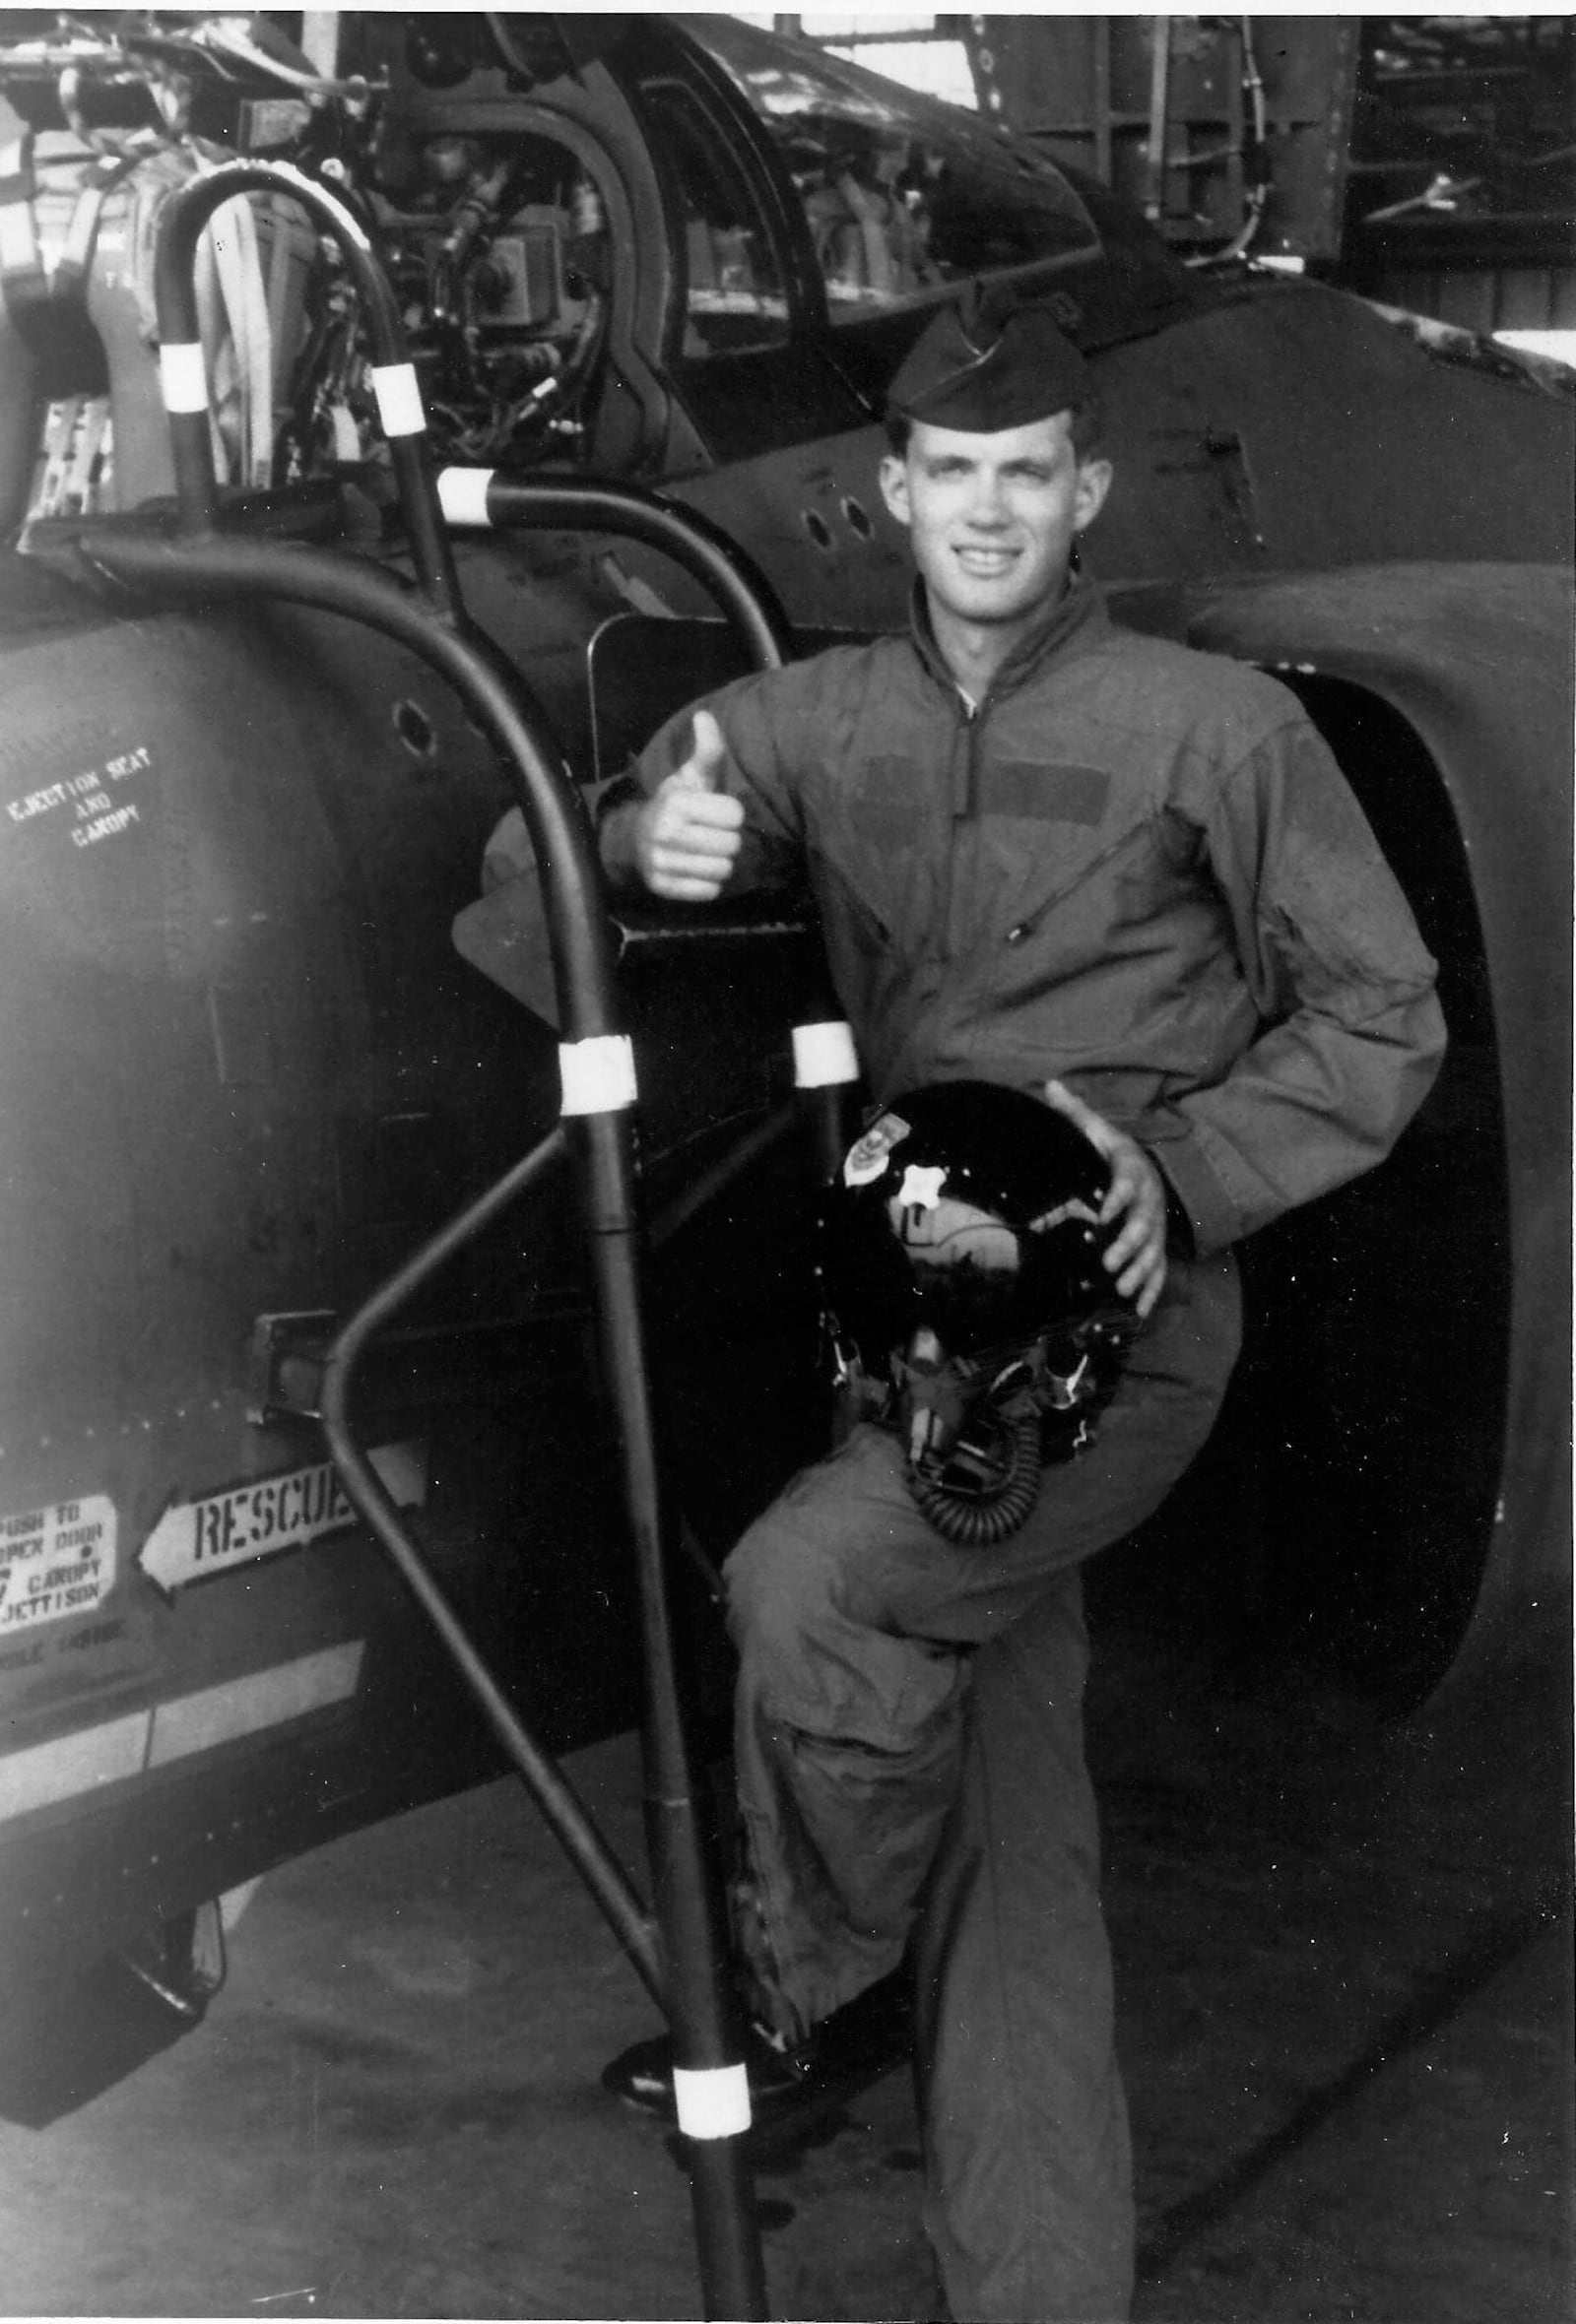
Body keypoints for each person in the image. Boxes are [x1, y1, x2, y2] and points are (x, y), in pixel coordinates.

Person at [595, 297, 1447, 2321]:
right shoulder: (815, 719)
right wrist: (645, 829)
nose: (986, 510)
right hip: (919, 1334)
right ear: (892, 494)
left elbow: (1381, 1016)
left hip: (1123, 1333)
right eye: (948, 473)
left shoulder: (1211, 726)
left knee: (814, 1581)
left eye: (1024, 474)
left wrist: (1183, 1169)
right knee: (1008, 1832)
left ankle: (804, 1981)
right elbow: (525, 864)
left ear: (1082, 491)